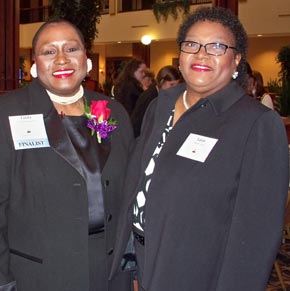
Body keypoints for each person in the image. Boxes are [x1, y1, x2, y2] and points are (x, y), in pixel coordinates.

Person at [110, 6, 289, 291]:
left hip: (196, 273)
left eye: (217, 46)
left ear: (236, 59)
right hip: (136, 262)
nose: (202, 54)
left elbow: (256, 236)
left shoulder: (255, 123)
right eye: (192, 44)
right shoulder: (161, 105)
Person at [0, 19, 134, 291]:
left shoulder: (110, 110)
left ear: (86, 59)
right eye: (49, 51)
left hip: (108, 270)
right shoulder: (4, 113)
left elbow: (128, 190)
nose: (62, 59)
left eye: (71, 49)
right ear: (34, 63)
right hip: (40, 274)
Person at [131, 65, 182, 137]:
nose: (175, 89)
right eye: (171, 85)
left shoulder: (161, 95)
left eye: (177, 85)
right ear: (161, 82)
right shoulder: (149, 97)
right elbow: (138, 123)